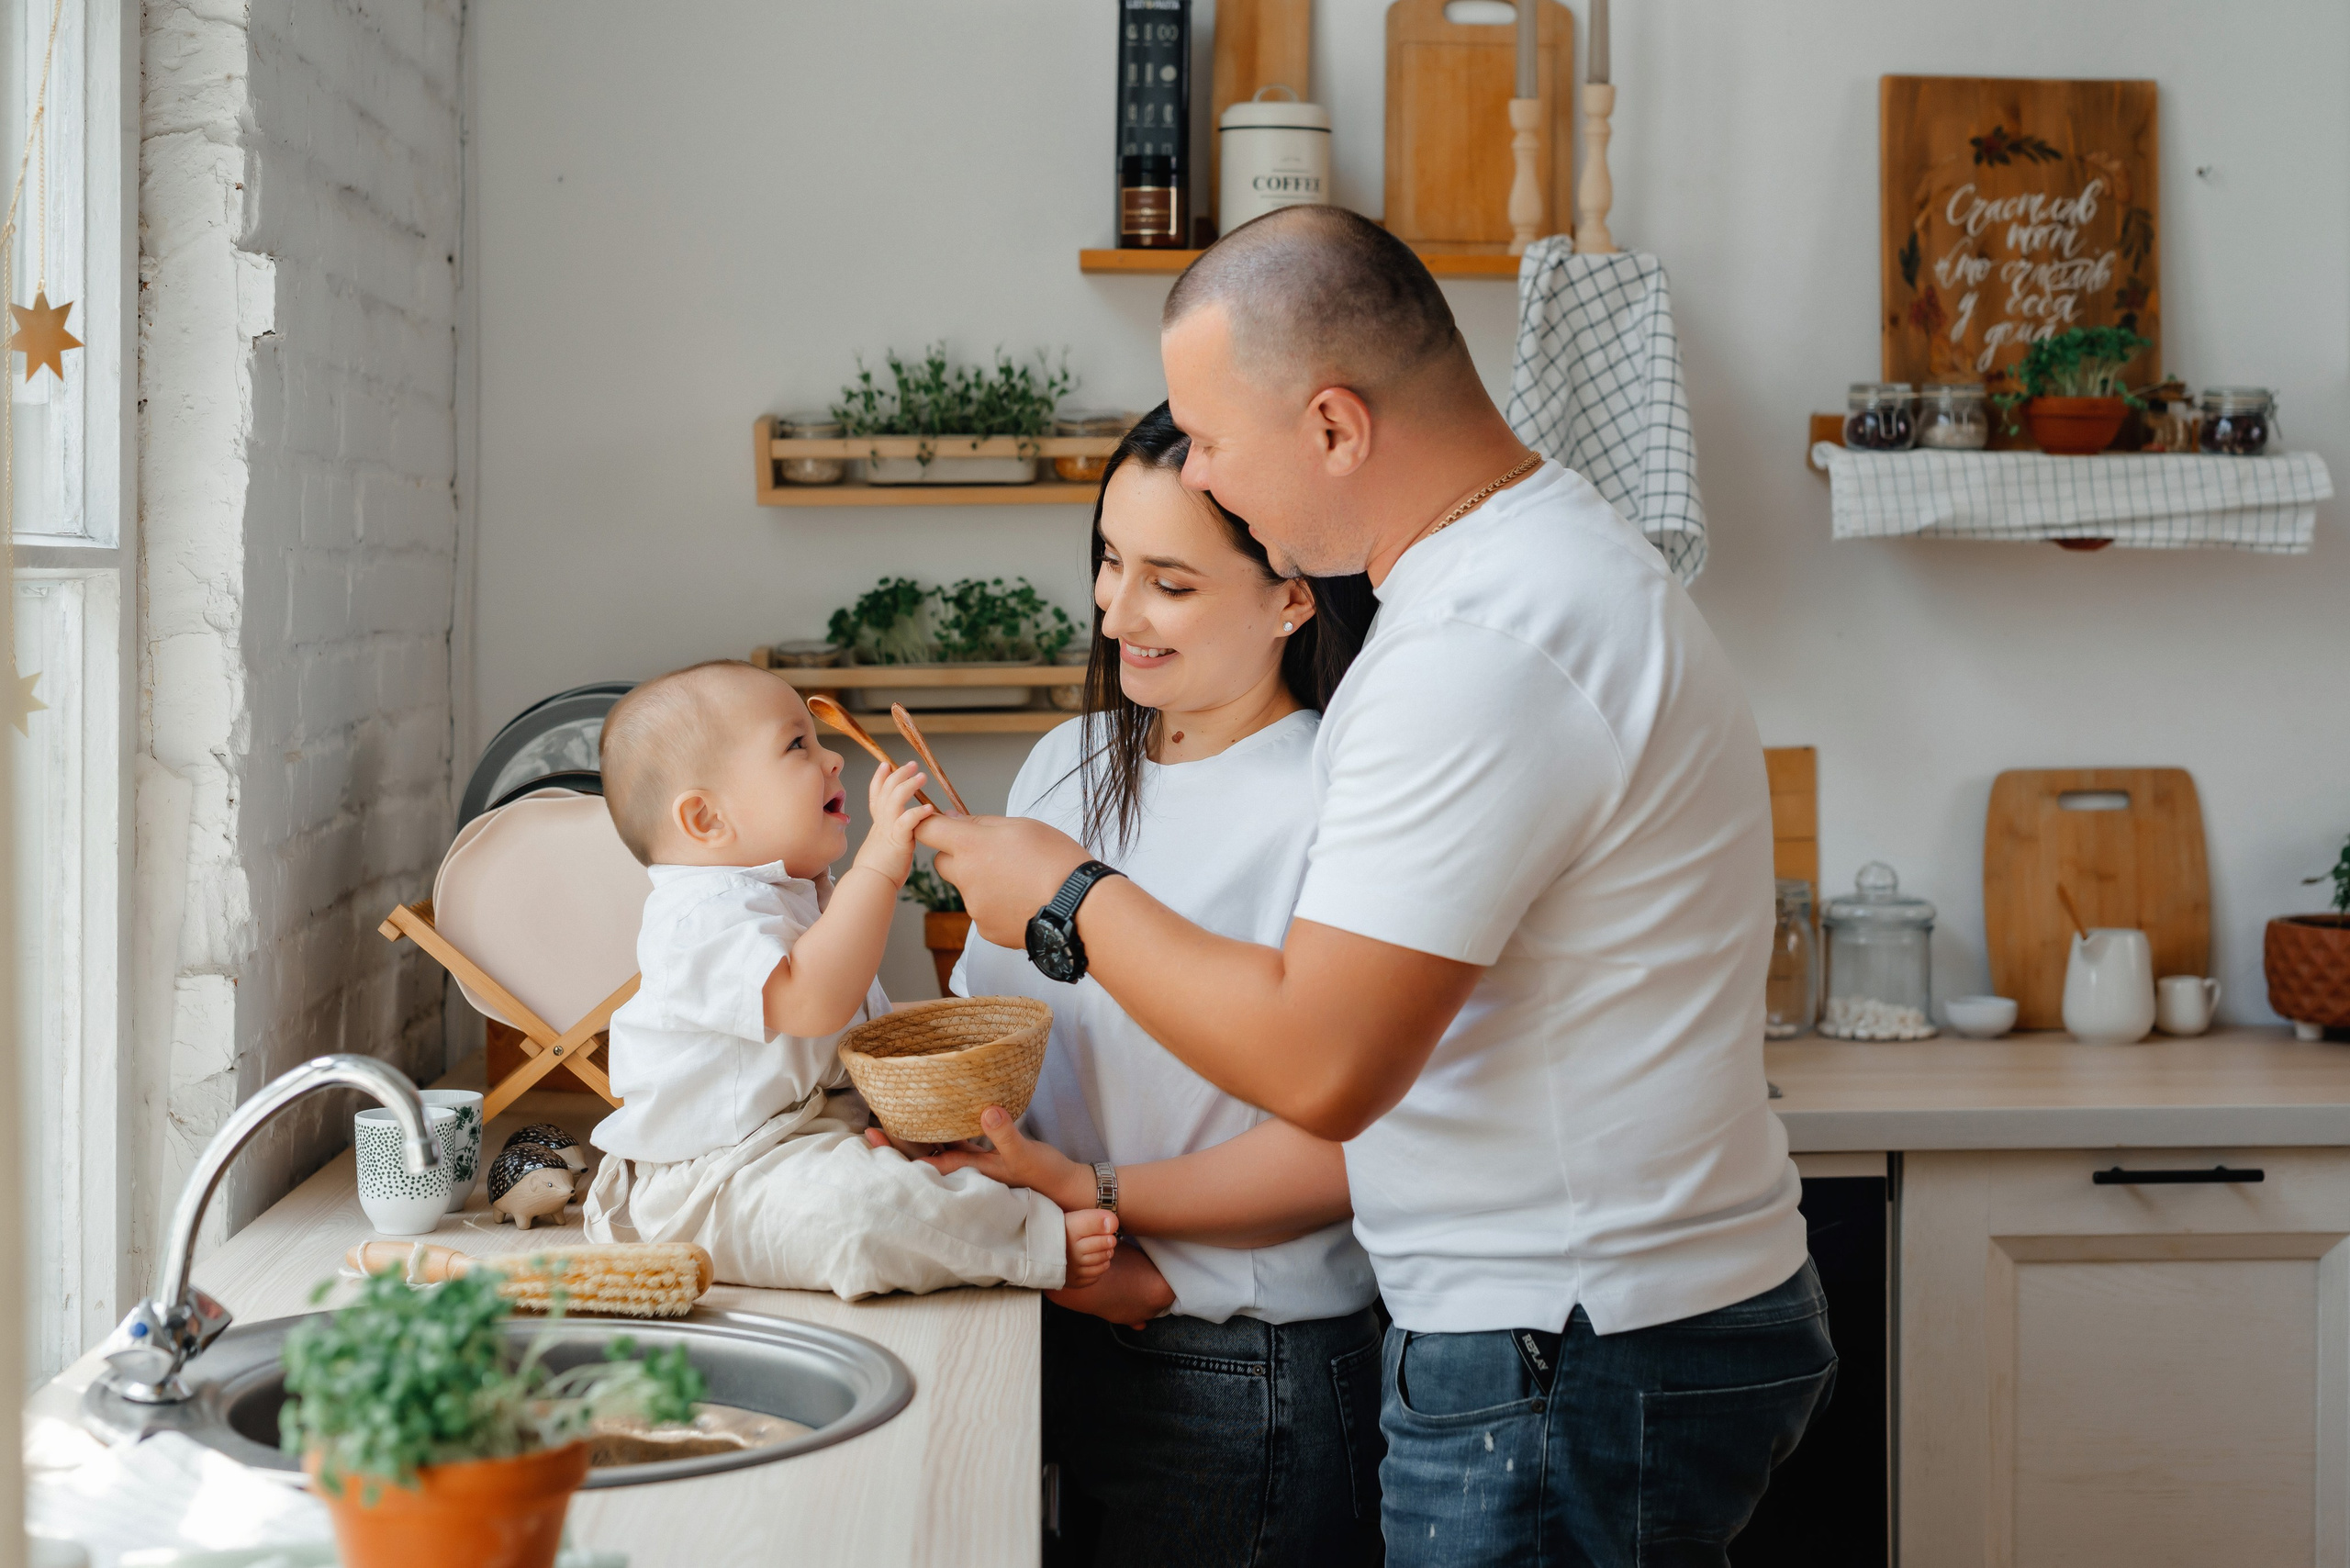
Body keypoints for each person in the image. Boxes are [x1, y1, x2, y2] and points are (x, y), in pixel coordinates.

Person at [919, 206, 1834, 1565]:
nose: (1210, 477)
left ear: (1336, 427)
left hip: (1564, 1343)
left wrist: (1066, 895)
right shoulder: (1528, 575)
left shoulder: (1479, 644)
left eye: (1216, 444)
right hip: (1590, 1325)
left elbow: (1327, 1062)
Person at [902, 404, 1387, 1568]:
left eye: (1169, 581)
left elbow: (1352, 1147)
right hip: (1053, 1317)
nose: (1115, 610)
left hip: (1241, 1361)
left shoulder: (1339, 800)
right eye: (1109, 561)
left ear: (1292, 594)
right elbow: (997, 1033)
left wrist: (1115, 1222)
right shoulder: (1063, 767)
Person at [580, 660, 1119, 1298]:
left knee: (931, 1161)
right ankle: (1026, 1238)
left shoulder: (789, 890)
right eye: (796, 746)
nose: (833, 760)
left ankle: (988, 1208)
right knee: (860, 1214)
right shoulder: (699, 916)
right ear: (706, 820)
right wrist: (880, 867)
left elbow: (860, 1026)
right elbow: (812, 1002)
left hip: (809, 1138)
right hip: (718, 1179)